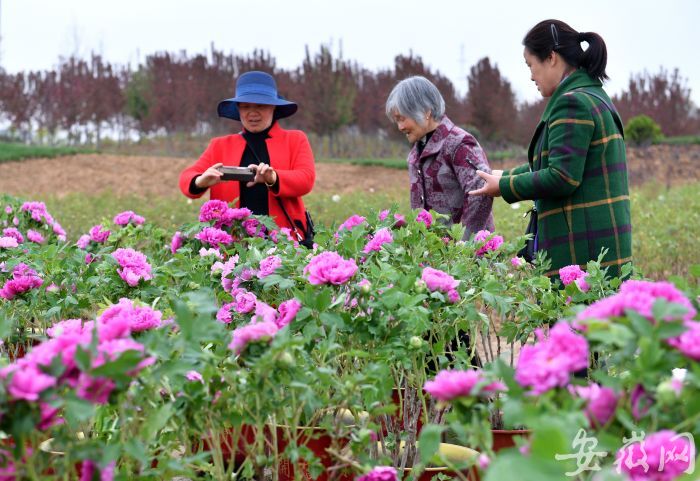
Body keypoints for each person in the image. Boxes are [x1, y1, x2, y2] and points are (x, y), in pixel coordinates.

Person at [469, 19, 632, 278]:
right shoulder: (592, 96)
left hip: (583, 254)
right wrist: (505, 176)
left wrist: (504, 187)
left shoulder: (572, 103)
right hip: (601, 250)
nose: (531, 75)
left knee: (577, 320)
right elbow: (555, 163)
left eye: (531, 65)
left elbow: (562, 176)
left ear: (552, 57)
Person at [179, 71, 315, 241]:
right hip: (233, 245)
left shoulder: (295, 139)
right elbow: (186, 179)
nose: (252, 113)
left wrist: (272, 177)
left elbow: (306, 180)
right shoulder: (219, 145)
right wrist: (201, 181)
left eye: (260, 106)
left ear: (274, 107)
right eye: (245, 106)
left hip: (284, 243)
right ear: (238, 109)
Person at [385, 76, 494, 238]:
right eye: (396, 121)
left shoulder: (458, 144)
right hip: (435, 255)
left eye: (402, 119)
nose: (400, 127)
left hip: (465, 257)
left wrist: (465, 245)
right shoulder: (415, 154)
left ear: (425, 112)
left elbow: (481, 191)